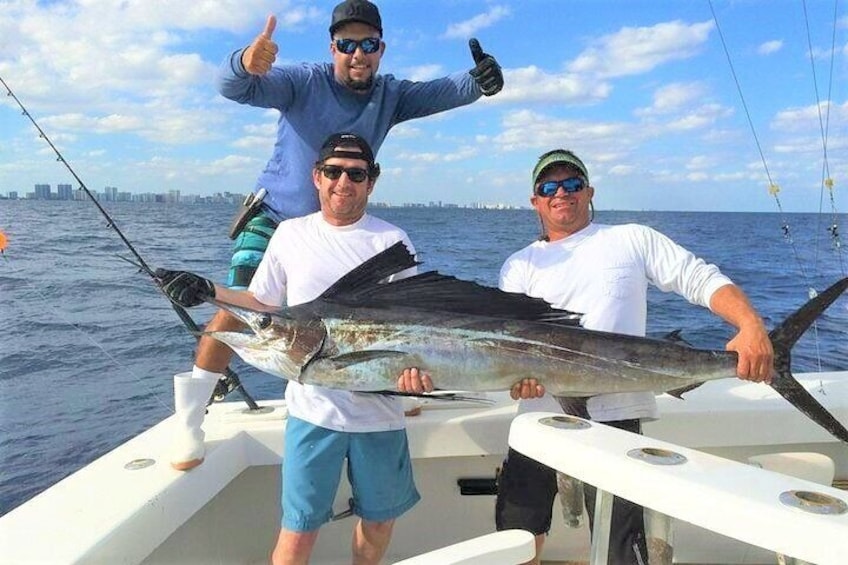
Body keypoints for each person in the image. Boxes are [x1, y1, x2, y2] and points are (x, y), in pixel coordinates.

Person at [169, 0, 503, 471]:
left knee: (378, 315)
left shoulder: (391, 95)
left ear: (381, 49)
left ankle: (386, 383)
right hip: (277, 216)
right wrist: (245, 62)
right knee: (240, 306)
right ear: (333, 48)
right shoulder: (303, 80)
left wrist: (481, 81)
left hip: (345, 226)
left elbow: (442, 92)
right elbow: (234, 86)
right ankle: (190, 416)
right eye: (347, 44)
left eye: (368, 44)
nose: (357, 54)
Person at [157, 133, 434, 565]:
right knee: (298, 531)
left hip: (380, 415)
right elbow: (261, 306)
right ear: (316, 177)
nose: (344, 181)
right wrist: (208, 289)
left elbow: (415, 327)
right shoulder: (289, 234)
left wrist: (417, 380)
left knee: (378, 524)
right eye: (333, 172)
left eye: (356, 174)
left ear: (371, 182)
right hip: (312, 414)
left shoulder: (392, 240)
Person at [496, 149, 774, 565]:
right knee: (516, 538)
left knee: (620, 549)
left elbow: (698, 277)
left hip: (616, 419)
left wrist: (750, 325)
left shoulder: (631, 238)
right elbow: (510, 347)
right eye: (548, 187)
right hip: (536, 419)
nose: (561, 193)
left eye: (572, 184)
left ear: (589, 192)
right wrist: (516, 378)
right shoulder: (518, 265)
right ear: (535, 200)